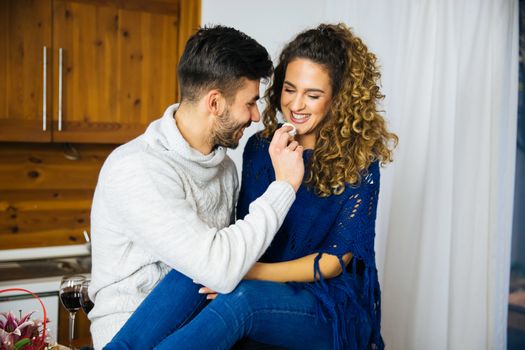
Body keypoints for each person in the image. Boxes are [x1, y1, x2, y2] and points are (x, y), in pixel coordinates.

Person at [105, 23, 398, 350]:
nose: (297, 104)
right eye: (289, 89)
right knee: (194, 271)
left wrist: (249, 274)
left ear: (337, 99)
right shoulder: (260, 148)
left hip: (327, 303)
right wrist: (233, 271)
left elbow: (332, 262)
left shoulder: (358, 162)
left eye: (312, 95)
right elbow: (245, 234)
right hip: (258, 280)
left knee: (241, 299)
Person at [88, 25, 305, 349]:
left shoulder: (226, 169)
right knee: (199, 271)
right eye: (249, 103)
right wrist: (284, 185)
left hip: (199, 329)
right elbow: (219, 267)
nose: (257, 116)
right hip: (130, 334)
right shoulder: (136, 168)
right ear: (215, 102)